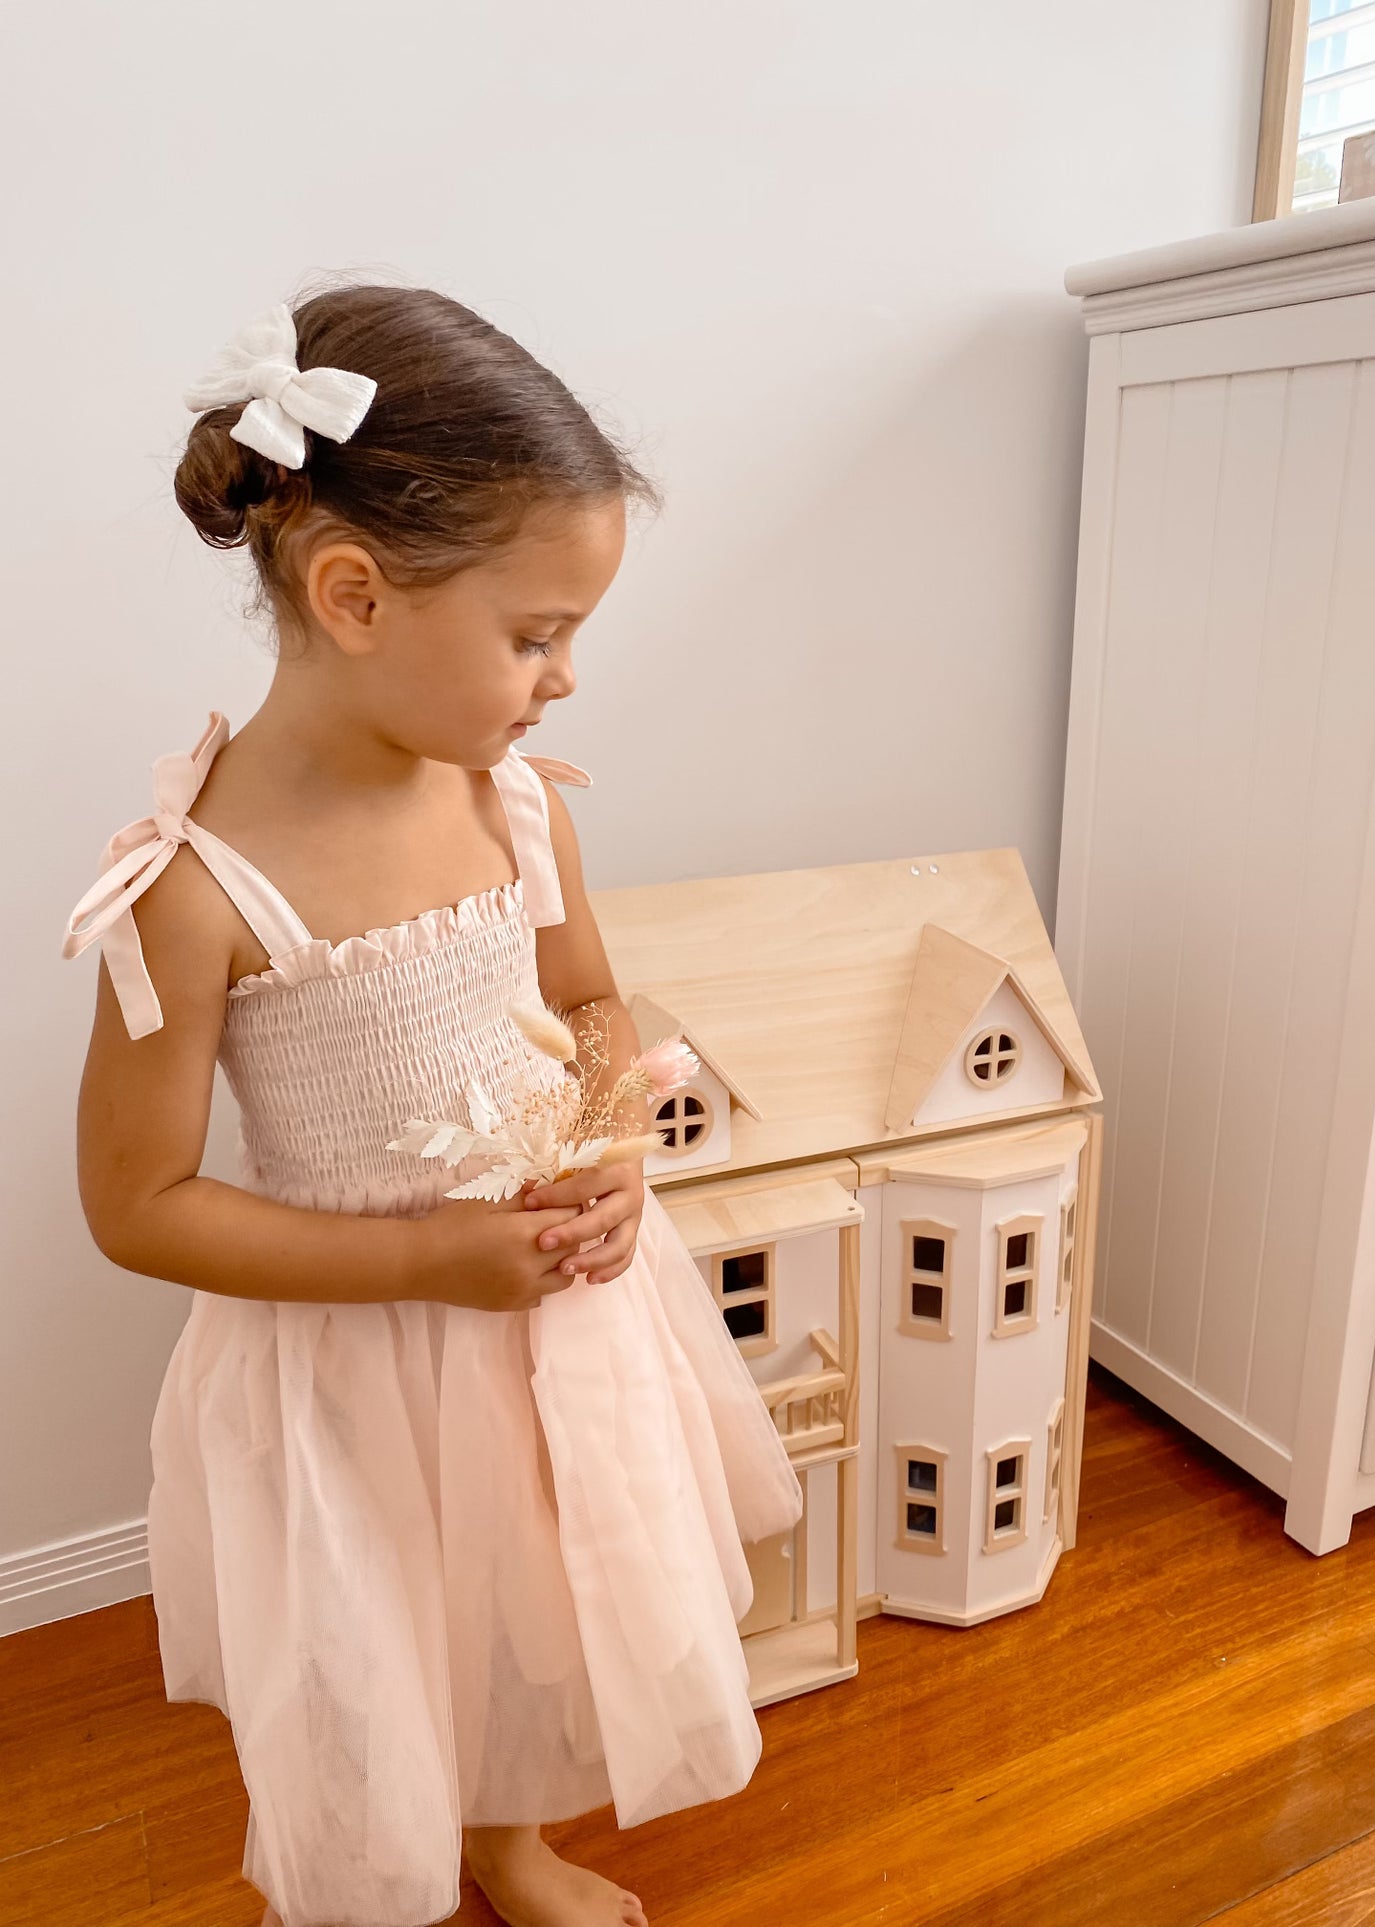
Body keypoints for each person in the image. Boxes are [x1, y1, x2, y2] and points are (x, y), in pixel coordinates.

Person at [61, 284, 804, 1927]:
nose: (562, 682)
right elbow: (138, 1207)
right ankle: (369, 1865)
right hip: (355, 1362)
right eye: (536, 636)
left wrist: (613, 1144)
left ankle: (509, 1841)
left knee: (532, 1601)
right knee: (374, 1639)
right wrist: (426, 1265)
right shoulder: (191, 894)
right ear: (354, 595)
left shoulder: (506, 797)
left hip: (555, 1319)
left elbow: (593, 1001)